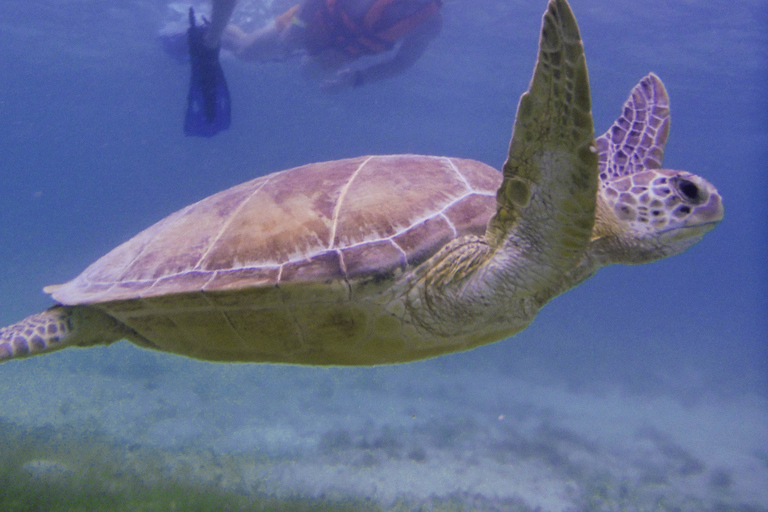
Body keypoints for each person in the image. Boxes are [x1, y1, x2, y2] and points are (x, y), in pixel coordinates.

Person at [181, 0, 443, 136]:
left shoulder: (429, 21)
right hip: (312, 20)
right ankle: (206, 31)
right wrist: (296, 29)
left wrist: (356, 78)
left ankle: (292, 57)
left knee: (309, 73)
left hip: (340, 51)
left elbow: (402, 63)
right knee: (247, 51)